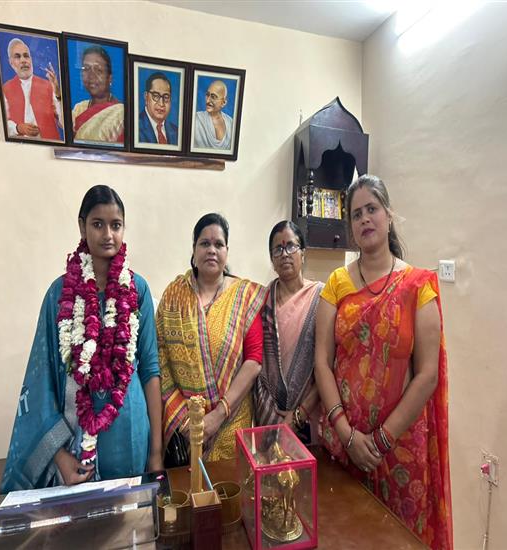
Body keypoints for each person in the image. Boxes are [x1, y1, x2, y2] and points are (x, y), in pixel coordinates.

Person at [314, 175, 453, 550]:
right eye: (356, 214)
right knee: (343, 537)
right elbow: (322, 362)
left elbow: (426, 375)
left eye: (371, 209)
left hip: (399, 447)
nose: (364, 219)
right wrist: (347, 434)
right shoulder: (336, 283)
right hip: (344, 446)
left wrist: (380, 440)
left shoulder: (418, 286)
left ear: (389, 215)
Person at [1, 185, 163, 492]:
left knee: (132, 518)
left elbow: (150, 370)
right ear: (82, 226)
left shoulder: (137, 289)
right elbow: (41, 382)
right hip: (76, 445)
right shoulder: (59, 294)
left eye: (116, 225)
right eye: (98, 224)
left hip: (131, 435)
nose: (108, 234)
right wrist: (58, 455)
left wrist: (155, 453)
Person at [158, 213, 267, 463]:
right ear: (194, 249)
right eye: (204, 243)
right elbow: (161, 360)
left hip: (232, 419)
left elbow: (254, 360)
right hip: (183, 425)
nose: (211, 250)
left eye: (219, 244)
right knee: (186, 485)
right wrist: (187, 420)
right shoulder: (173, 295)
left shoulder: (243, 295)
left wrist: (218, 415)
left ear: (227, 251)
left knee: (229, 485)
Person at [254, 221, 323, 444]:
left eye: (291, 246)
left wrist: (300, 414)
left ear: (303, 253)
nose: (284, 254)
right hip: (269, 412)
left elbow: (328, 364)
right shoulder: (262, 300)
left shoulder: (321, 297)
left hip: (310, 412)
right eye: (278, 249)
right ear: (272, 260)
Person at [3, 37, 63, 140]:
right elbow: (1, 124)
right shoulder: (5, 89)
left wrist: (58, 93)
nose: (23, 60)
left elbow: (63, 123)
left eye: (26, 56)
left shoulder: (48, 86)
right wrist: (17, 128)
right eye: (18, 57)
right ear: (11, 63)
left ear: (31, 59)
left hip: (48, 146)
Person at [72, 46, 124, 144]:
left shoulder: (120, 113)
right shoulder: (79, 108)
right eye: (86, 69)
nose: (91, 75)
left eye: (98, 70)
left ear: (110, 78)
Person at [139, 72, 178, 145]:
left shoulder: (176, 132)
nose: (161, 103)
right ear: (146, 97)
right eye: (156, 96)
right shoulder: (135, 127)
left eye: (166, 97)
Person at [194, 80, 233, 150]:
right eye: (207, 95)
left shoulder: (230, 123)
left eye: (213, 97)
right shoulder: (196, 119)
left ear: (223, 102)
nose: (208, 100)